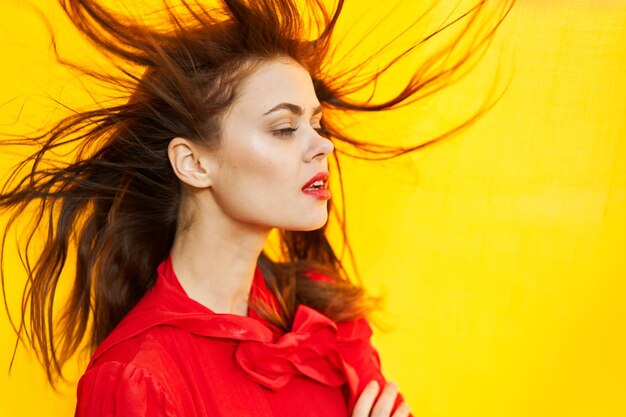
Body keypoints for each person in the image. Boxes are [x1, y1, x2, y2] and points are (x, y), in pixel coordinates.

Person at [0, 0, 513, 416]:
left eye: (316, 124)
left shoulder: (324, 325)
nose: (322, 146)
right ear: (194, 163)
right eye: (284, 128)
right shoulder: (140, 378)